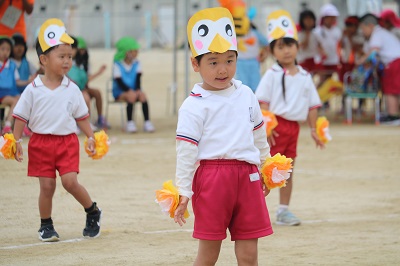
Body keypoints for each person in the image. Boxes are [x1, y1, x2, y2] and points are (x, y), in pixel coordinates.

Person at [174, 7, 273, 265]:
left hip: (248, 177)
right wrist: (183, 189)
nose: (223, 69)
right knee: (208, 254)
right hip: (212, 179)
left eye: (230, 60)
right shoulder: (193, 105)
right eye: (213, 62)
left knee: (249, 255)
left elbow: (258, 133)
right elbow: (186, 150)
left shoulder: (247, 94)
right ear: (196, 64)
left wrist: (267, 165)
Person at [12, 18, 102, 242]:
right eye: (61, 56)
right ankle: (46, 225)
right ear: (44, 59)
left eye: (69, 57)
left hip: (67, 142)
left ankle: (92, 211)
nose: (67, 61)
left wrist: (91, 136)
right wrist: (15, 142)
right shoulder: (32, 90)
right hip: (40, 143)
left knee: (70, 182)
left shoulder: (72, 89)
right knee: (47, 186)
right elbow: (20, 117)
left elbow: (81, 117)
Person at [256, 10, 324, 226]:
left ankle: (283, 210)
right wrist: (266, 126)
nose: (286, 51)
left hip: (293, 128)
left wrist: (314, 129)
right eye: (280, 46)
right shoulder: (272, 74)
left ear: (298, 46)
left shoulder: (305, 76)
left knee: (287, 170)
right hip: (274, 128)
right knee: (265, 169)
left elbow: (313, 105)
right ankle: (255, 210)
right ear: (273, 51)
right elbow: (263, 101)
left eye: (289, 45)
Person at [359, 13, 400, 125]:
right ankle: (392, 114)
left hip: (394, 63)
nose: (362, 31)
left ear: (370, 25)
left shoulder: (377, 34)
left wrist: (361, 61)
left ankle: (393, 116)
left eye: (363, 28)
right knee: (392, 89)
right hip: (394, 62)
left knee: (391, 90)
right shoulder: (381, 33)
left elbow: (373, 52)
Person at [112, 36, 154, 133]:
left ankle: (147, 122)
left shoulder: (137, 63)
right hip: (120, 91)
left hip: (134, 90)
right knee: (131, 96)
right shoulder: (117, 64)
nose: (137, 52)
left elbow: (138, 78)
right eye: (134, 50)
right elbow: (119, 82)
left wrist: (138, 90)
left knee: (143, 96)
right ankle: (130, 122)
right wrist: (130, 91)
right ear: (127, 52)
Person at [75, 36, 110, 129]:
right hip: (77, 88)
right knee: (85, 97)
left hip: (83, 87)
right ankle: (86, 121)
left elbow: (87, 79)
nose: (82, 52)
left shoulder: (85, 63)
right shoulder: (73, 63)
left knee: (97, 92)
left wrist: (99, 72)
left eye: (83, 50)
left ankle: (100, 118)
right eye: (80, 50)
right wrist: (98, 73)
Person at [0, 35, 20, 134]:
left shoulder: (12, 65)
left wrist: (30, 81)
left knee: (22, 99)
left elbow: (17, 81)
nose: (5, 52)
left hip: (11, 92)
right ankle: (7, 125)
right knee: (15, 101)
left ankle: (19, 125)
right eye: (2, 49)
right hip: (1, 93)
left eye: (8, 49)